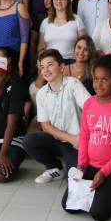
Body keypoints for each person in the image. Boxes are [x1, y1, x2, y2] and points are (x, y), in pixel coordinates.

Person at [62, 55, 111, 221]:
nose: (98, 84)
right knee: (69, 206)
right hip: (90, 164)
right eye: (96, 79)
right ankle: (102, 191)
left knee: (100, 213)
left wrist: (104, 172)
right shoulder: (90, 104)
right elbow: (85, 135)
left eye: (105, 79)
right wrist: (81, 164)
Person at [23, 49, 92, 184]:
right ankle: (54, 168)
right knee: (29, 140)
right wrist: (69, 138)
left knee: (75, 180)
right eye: (42, 67)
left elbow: (90, 109)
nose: (46, 70)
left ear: (61, 67)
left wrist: (80, 138)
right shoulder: (42, 93)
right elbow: (45, 126)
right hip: (60, 139)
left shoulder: (73, 84)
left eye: (50, 65)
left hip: (78, 142)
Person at [39, 0, 86, 64]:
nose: (58, 0)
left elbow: (84, 44)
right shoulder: (45, 22)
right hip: (51, 63)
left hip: (73, 62)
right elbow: (41, 47)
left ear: (68, 0)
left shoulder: (77, 20)